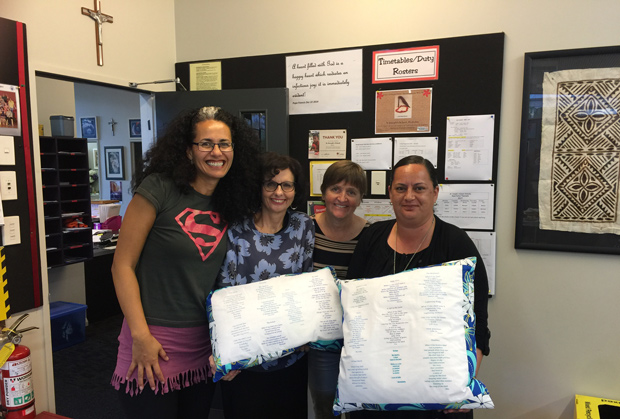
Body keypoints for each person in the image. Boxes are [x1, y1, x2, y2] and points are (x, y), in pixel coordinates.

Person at [110, 106, 261, 418]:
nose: (216, 152)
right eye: (205, 143)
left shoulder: (231, 202)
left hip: (201, 348)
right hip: (151, 343)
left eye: (224, 144)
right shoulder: (159, 188)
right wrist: (140, 336)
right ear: (188, 151)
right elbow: (121, 266)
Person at [346, 155, 491, 419]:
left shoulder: (457, 244)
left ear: (435, 193)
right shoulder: (372, 237)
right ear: (390, 192)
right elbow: (353, 308)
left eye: (419, 188)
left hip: (437, 390)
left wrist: (463, 384)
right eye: (401, 188)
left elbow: (478, 323)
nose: (409, 196)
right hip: (375, 387)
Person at [215, 152, 315, 419]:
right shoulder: (237, 228)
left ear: (296, 189)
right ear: (258, 188)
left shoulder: (303, 226)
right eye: (270, 184)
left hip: (291, 356)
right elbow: (226, 291)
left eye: (287, 185)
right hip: (247, 358)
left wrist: (308, 330)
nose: (278, 192)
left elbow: (306, 281)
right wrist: (229, 353)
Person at [309, 160, 369, 419]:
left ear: (360, 198)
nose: (342, 198)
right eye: (335, 189)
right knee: (324, 406)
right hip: (321, 340)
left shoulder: (370, 234)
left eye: (352, 192)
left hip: (359, 340)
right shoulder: (305, 229)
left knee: (359, 407)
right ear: (323, 192)